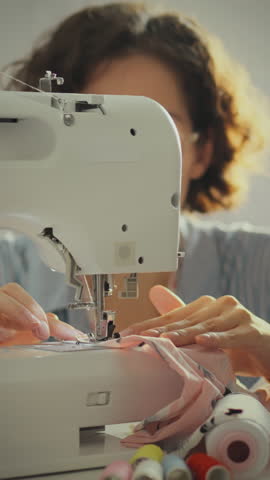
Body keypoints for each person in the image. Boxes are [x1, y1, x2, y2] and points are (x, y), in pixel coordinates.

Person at [1, 2, 270, 383]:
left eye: (150, 129)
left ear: (202, 152)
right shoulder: (6, 269)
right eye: (90, 126)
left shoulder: (262, 268)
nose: (116, 159)